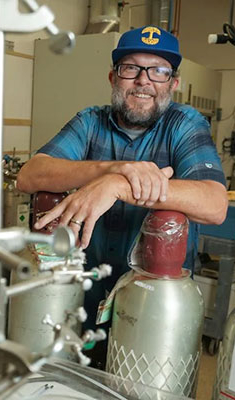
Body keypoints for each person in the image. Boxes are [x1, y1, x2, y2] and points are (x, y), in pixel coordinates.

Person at [17, 25, 228, 364]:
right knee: (68, 376)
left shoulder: (184, 124)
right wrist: (114, 169)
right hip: (81, 294)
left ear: (173, 83)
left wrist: (118, 186)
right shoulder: (90, 121)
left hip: (153, 304)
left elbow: (214, 204)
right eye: (131, 68)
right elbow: (30, 175)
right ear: (113, 78)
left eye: (158, 71)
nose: (144, 81)